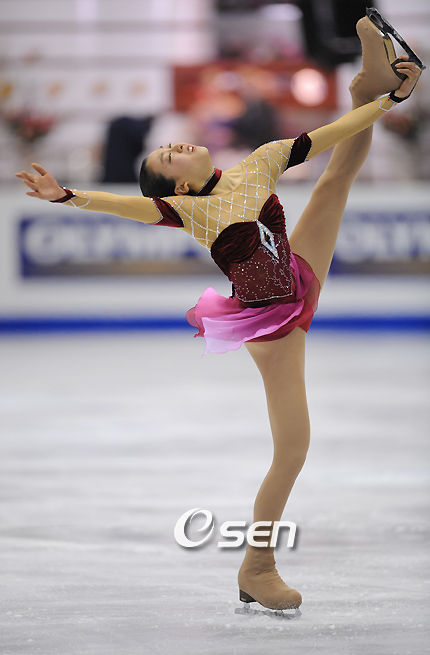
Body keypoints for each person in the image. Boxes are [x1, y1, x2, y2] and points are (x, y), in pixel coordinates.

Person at [15, 11, 423, 613]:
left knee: (335, 180)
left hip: (298, 271)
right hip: (272, 322)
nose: (173, 145)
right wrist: (68, 195)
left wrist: (384, 100)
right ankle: (257, 566)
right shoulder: (189, 211)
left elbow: (331, 136)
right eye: (166, 156)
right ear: (176, 188)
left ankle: (365, 81)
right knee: (293, 449)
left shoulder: (260, 161)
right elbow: (124, 206)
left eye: (171, 144)